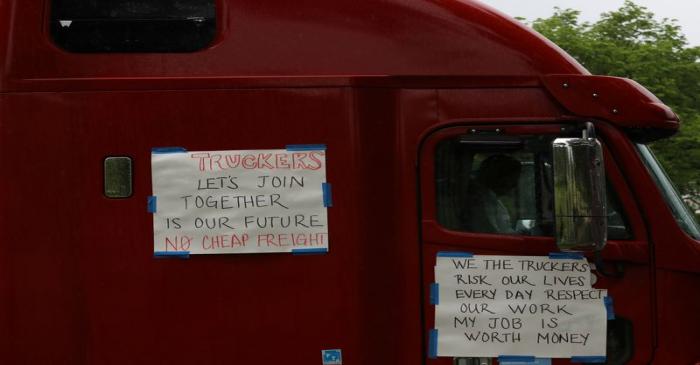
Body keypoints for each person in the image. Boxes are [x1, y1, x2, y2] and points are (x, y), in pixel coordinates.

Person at [462, 154, 522, 233]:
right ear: (498, 177)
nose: (514, 185)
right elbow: (491, 234)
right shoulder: (478, 201)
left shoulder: (492, 198)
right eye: (512, 179)